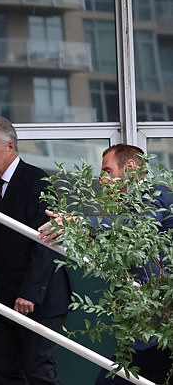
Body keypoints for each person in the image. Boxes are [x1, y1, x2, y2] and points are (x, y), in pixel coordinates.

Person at [38, 144, 173, 384]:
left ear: (130, 168)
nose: (102, 180)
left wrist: (78, 222)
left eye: (108, 171)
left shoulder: (158, 195)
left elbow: (136, 227)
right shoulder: (128, 209)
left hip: (162, 326)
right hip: (147, 329)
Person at [0, 115, 72, 384]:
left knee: (38, 369)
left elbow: (48, 240)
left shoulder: (36, 181)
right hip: (11, 299)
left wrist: (29, 293)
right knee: (0, 367)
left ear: (10, 146)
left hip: (40, 296)